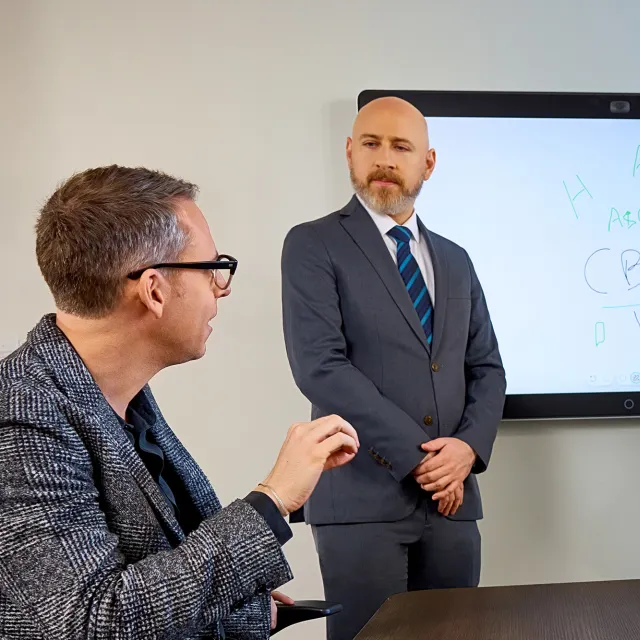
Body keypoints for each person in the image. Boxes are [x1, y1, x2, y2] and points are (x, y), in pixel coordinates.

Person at [0, 165, 359, 639]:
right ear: (154, 290)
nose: (221, 288)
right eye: (212, 269)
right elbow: (94, 622)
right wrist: (271, 501)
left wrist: (245, 610)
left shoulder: (122, 398)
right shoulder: (22, 413)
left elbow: (152, 583)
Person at [281, 96, 506, 639]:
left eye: (401, 147)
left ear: (428, 162)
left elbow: (487, 369)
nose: (384, 158)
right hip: (360, 501)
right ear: (350, 153)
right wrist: (422, 462)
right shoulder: (313, 244)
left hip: (453, 505)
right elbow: (320, 368)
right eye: (371, 144)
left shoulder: (455, 259)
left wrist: (466, 450)